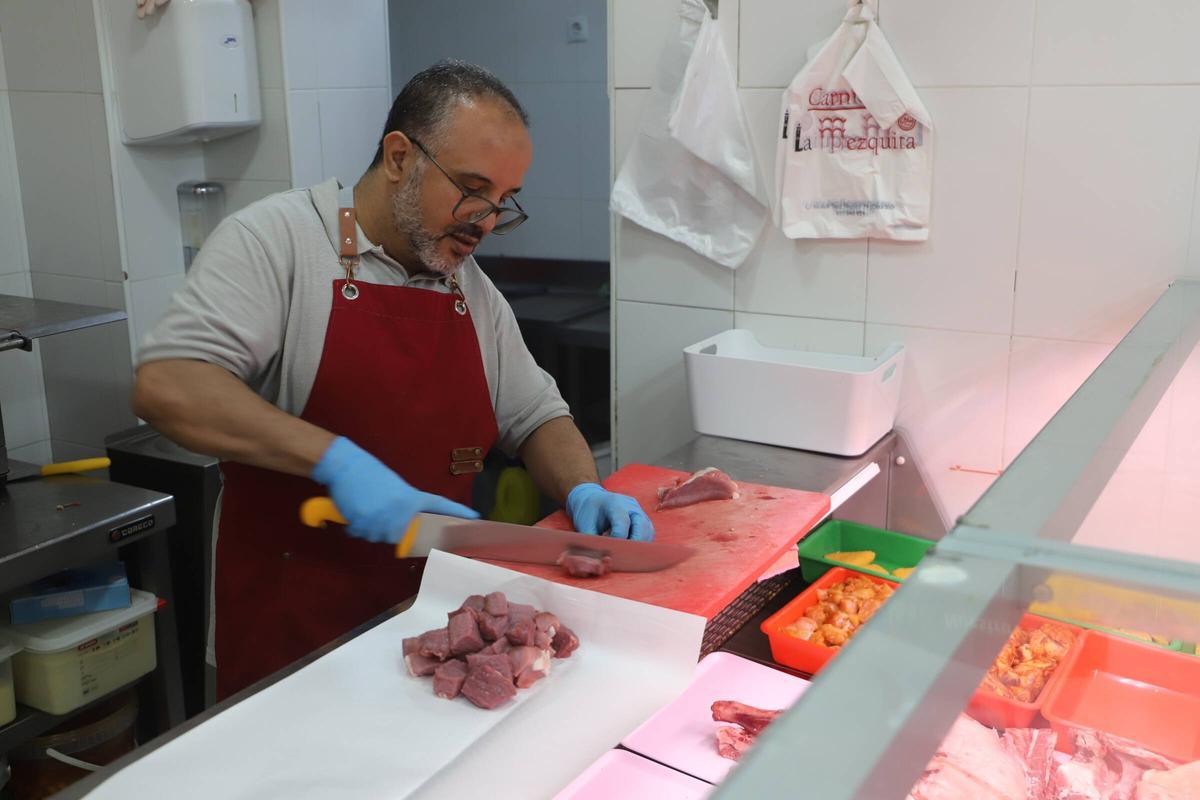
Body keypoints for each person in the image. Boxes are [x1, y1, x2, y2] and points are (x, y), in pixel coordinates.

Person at [131, 60, 653, 698]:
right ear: (400, 157)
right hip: (290, 633)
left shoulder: (473, 293)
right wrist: (338, 462)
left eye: (502, 201)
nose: (484, 221)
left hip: (432, 629)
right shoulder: (278, 241)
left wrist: (582, 488)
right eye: (470, 188)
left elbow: (536, 414)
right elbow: (169, 383)